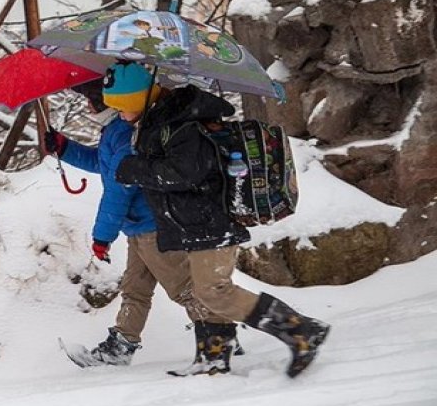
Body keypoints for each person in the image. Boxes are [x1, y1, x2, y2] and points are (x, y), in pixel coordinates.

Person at [115, 84, 330, 377]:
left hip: (210, 221)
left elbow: (185, 173)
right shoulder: (167, 123)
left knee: (214, 290)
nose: (117, 111)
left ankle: (301, 330)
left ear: (136, 98)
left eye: (120, 104)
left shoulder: (183, 127)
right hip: (196, 223)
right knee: (207, 291)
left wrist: (134, 168)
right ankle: (213, 357)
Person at [44, 62, 242, 373]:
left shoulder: (126, 133)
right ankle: (121, 346)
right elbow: (102, 163)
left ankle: (220, 338)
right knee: (135, 288)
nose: (86, 106)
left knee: (183, 289)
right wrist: (65, 148)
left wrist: (101, 237)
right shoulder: (116, 130)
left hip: (152, 226)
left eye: (89, 99)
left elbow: (117, 191)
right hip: (137, 227)